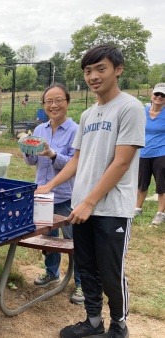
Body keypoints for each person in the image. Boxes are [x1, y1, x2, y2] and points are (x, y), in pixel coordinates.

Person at [36, 44, 145, 338]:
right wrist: (50, 185)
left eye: (100, 69)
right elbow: (76, 160)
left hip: (112, 208)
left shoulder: (130, 107)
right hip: (82, 205)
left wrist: (90, 201)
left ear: (117, 69)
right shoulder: (88, 115)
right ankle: (93, 321)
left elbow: (122, 161)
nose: (93, 76)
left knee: (111, 272)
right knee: (87, 267)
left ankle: (118, 326)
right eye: (88, 70)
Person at [22, 83, 83, 305]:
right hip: (42, 194)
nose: (54, 105)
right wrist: (27, 150)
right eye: (49, 101)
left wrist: (53, 154)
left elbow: (75, 164)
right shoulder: (40, 130)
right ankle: (52, 272)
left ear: (67, 102)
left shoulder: (76, 130)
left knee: (74, 240)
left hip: (65, 195)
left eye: (58, 100)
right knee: (48, 238)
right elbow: (32, 161)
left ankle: (81, 283)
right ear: (44, 105)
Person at [134, 83, 165, 225]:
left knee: (161, 184)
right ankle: (137, 209)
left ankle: (160, 213)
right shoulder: (142, 111)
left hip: (161, 153)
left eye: (163, 95)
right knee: (141, 183)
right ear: (152, 96)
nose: (159, 97)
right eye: (157, 94)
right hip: (143, 152)